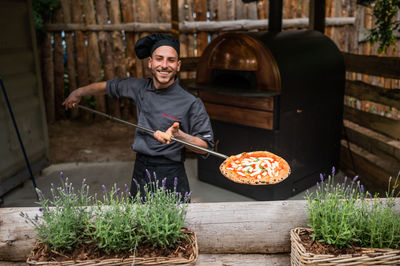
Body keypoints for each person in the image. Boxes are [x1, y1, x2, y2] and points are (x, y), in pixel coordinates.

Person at [62, 33, 214, 198]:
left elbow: (205, 146)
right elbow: (106, 87)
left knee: (173, 223)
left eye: (170, 60)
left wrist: (179, 136)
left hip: (171, 172)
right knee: (137, 222)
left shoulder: (191, 102)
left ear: (178, 66)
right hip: (141, 169)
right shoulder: (138, 87)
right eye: (159, 59)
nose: (164, 65)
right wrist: (78, 92)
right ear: (150, 62)